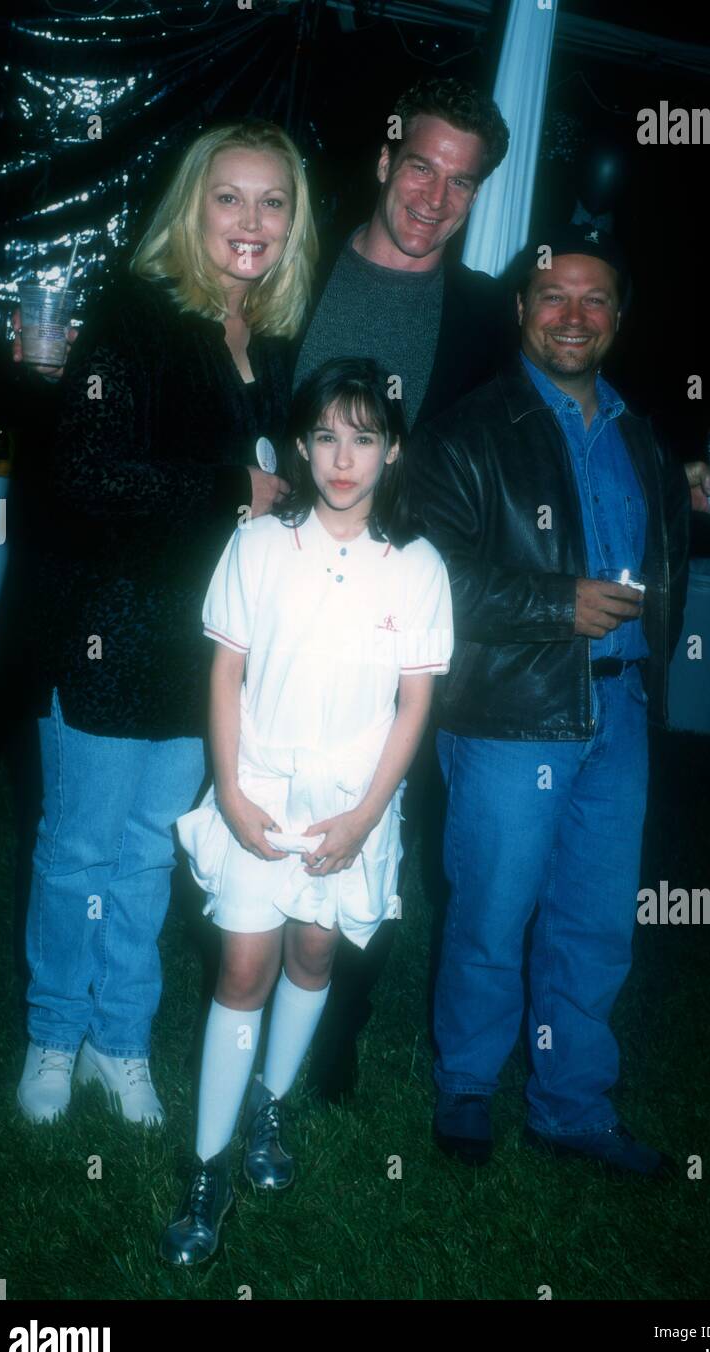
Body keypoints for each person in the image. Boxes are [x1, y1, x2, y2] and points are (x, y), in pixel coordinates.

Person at [15, 120, 317, 1127]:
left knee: (148, 854)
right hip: (106, 634)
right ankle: (55, 1033)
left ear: (292, 221)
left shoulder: (267, 341)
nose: (250, 220)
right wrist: (235, 486)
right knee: (78, 852)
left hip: (203, 651)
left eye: (271, 201)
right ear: (193, 208)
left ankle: (121, 1042)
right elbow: (87, 472)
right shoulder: (134, 316)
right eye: (228, 197)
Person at [406, 224, 691, 1174]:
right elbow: (431, 582)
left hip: (620, 712)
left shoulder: (640, 434)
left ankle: (571, 1102)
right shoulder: (465, 432)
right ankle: (469, 1087)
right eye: (553, 296)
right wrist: (554, 605)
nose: (574, 315)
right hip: (511, 713)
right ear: (522, 309)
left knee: (597, 921)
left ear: (618, 318)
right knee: (493, 912)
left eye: (595, 298)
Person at [158, 358, 453, 1266]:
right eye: (326, 435)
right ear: (301, 442)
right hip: (263, 789)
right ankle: (206, 1172)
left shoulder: (415, 566)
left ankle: (269, 1106)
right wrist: (234, 790)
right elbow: (226, 671)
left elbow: (414, 704)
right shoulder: (256, 545)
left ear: (392, 451)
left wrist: (366, 819)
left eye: (364, 438)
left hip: (350, 805)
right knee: (245, 962)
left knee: (314, 950)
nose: (342, 457)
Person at [295, 76, 514, 1100]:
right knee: (265, 799)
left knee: (379, 825)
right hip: (282, 598)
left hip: (400, 625)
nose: (433, 196)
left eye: (460, 183)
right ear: (385, 159)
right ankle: (246, 989)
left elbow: (539, 423)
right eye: (420, 165)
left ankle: (335, 1032)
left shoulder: (481, 320)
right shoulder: (293, 269)